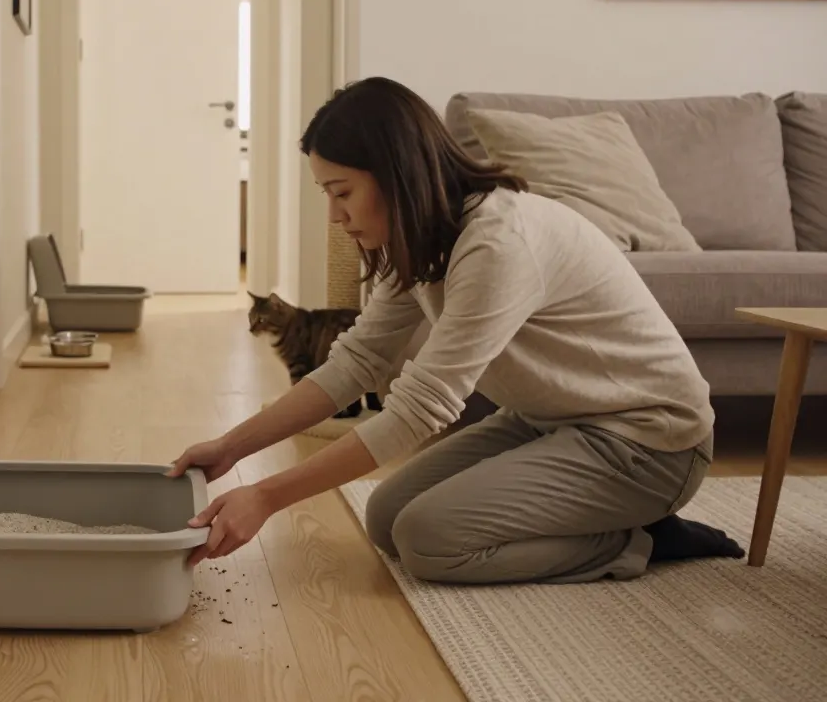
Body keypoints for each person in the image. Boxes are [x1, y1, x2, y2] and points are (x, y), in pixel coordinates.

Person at [166, 76, 744, 583]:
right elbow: (356, 362)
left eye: (342, 193)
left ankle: (641, 538)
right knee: (388, 519)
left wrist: (266, 497)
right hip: (547, 422)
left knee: (430, 542)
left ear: (395, 175)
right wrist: (231, 448)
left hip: (647, 441)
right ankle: (606, 518)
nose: (335, 216)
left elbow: (420, 410)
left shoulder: (497, 241)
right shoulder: (422, 238)